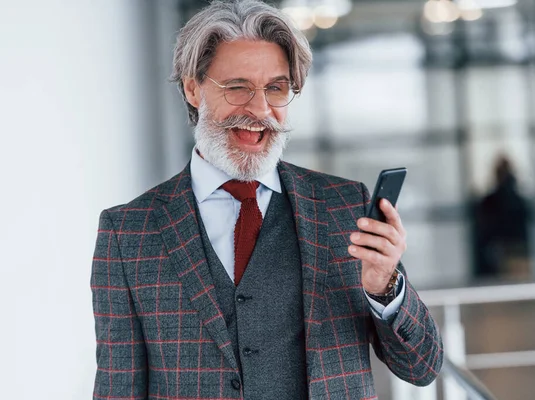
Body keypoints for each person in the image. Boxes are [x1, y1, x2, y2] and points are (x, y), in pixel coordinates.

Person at [90, 1, 443, 399]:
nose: (260, 110)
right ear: (193, 88)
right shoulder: (128, 233)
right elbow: (118, 389)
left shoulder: (343, 206)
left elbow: (422, 367)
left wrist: (385, 286)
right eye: (237, 87)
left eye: (275, 88)